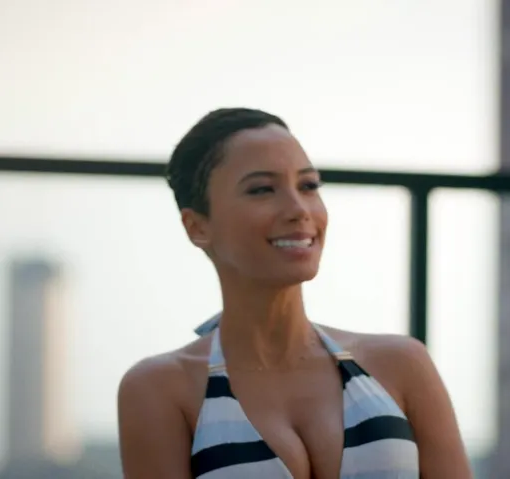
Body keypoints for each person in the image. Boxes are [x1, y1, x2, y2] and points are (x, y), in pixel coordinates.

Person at [116, 108, 472, 478]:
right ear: (197, 226)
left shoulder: (402, 364)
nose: (299, 209)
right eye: (262, 189)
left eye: (308, 186)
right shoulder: (161, 388)